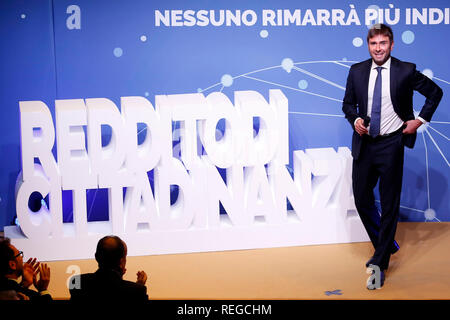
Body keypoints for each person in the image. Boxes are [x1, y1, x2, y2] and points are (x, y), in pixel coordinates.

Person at [342, 24, 443, 289]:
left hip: (392, 144)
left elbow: (435, 93)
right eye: (373, 44)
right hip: (365, 143)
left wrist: (419, 120)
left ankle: (380, 261)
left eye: (383, 43)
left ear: (392, 45)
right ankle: (386, 245)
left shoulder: (405, 70)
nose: (378, 48)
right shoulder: (357, 71)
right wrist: (354, 120)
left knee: (389, 204)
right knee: (362, 198)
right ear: (368, 45)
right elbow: (347, 104)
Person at [69, 235, 148, 301]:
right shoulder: (137, 291)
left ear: (96, 257)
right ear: (121, 262)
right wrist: (139, 286)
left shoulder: (76, 282)